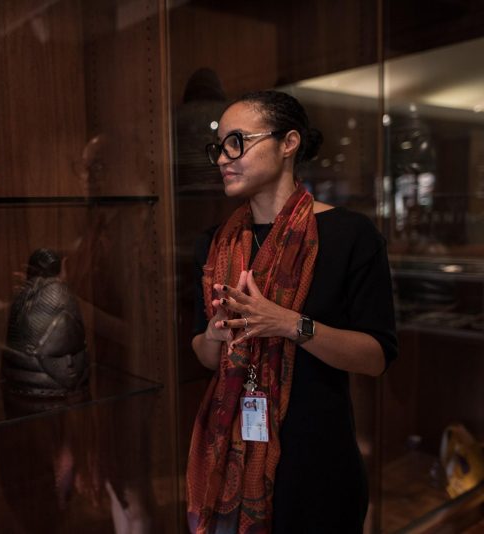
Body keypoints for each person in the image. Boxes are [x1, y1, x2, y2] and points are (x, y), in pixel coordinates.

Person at [186, 90, 397, 534]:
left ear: (289, 143)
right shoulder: (214, 245)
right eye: (219, 147)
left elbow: (375, 357)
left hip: (318, 459)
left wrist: (287, 324)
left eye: (237, 142)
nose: (224, 158)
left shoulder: (349, 235)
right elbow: (205, 356)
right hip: (230, 455)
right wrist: (215, 334)